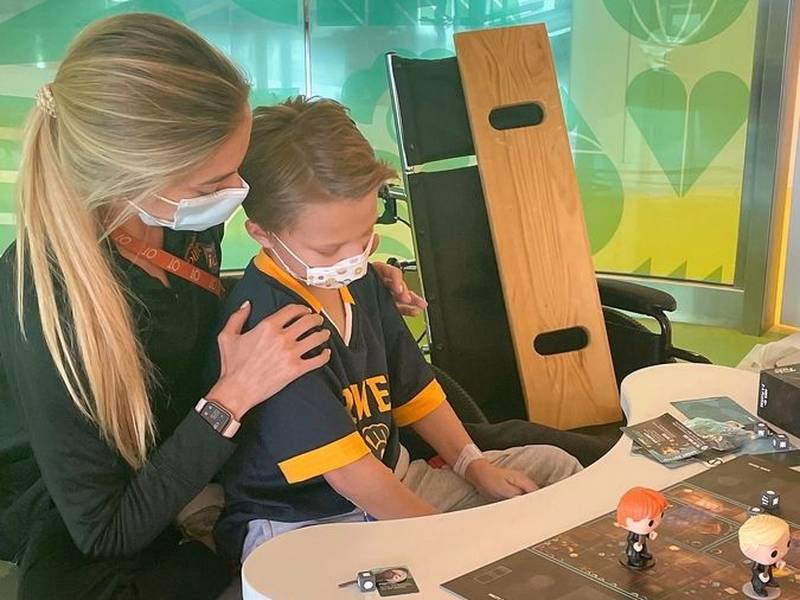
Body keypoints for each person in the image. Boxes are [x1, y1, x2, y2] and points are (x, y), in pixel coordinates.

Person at [0, 14, 422, 600]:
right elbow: (105, 530)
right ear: (130, 176)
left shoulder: (176, 222)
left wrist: (339, 275)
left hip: (201, 424)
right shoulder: (47, 301)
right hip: (108, 496)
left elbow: (181, 314)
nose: (237, 191)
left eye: (236, 169)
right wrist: (230, 398)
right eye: (213, 184)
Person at [209, 96, 583, 563]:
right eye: (329, 248)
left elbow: (416, 390)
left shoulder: (362, 280)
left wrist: (473, 464)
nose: (353, 257)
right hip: (303, 524)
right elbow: (348, 473)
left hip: (396, 482)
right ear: (263, 233)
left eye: (365, 234)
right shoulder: (267, 324)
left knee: (553, 468)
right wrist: (448, 541)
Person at [738, 515, 791, 597]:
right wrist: (760, 575)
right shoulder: (758, 562)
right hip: (760, 576)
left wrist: (777, 562)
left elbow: (771, 562)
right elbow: (755, 569)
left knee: (769, 577)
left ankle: (769, 582)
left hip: (768, 572)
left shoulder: (768, 559)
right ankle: (758, 589)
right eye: (774, 552)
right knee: (759, 583)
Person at [615, 487, 667, 569]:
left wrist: (649, 534)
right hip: (635, 547)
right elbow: (630, 539)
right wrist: (635, 544)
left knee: (643, 547)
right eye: (650, 522)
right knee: (635, 553)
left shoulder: (643, 531)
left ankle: (643, 553)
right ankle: (634, 559)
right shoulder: (634, 532)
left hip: (642, 543)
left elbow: (645, 534)